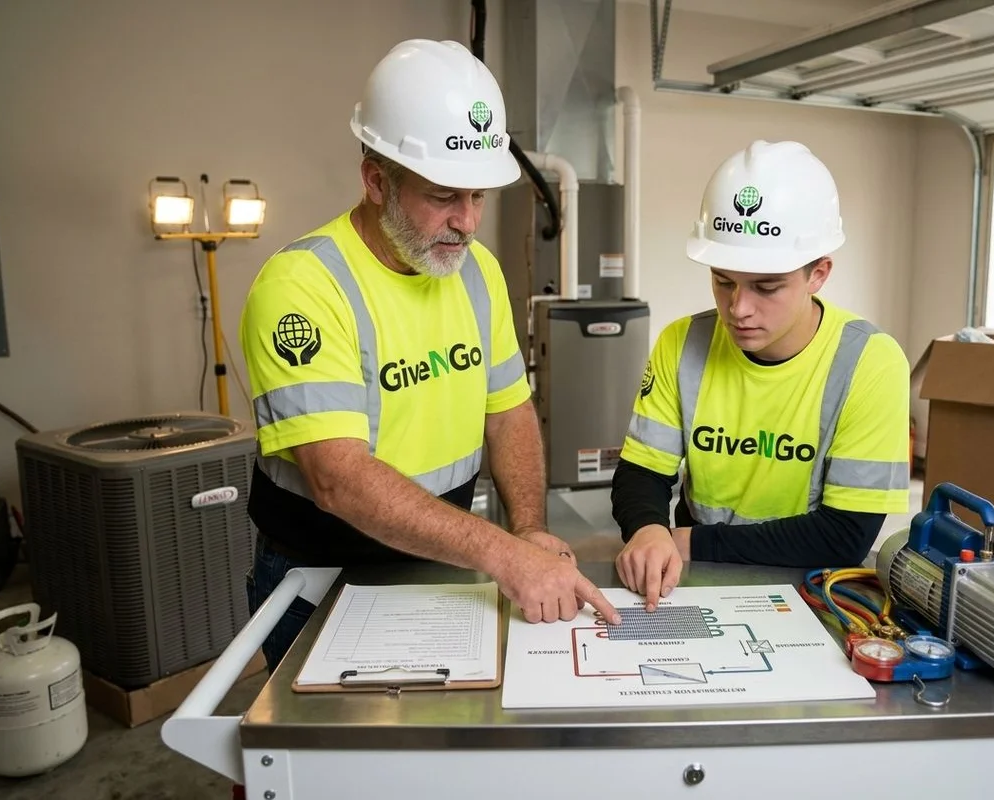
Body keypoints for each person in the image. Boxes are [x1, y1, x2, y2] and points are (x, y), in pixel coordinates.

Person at [239, 38, 619, 673]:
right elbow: (338, 478)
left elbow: (509, 413)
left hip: (442, 557)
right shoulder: (301, 288)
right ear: (375, 180)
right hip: (322, 577)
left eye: (478, 197)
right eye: (444, 196)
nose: (467, 222)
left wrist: (526, 530)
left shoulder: (478, 274)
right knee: (336, 767)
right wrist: (502, 553)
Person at [611, 140, 911, 610]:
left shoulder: (871, 362)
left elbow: (846, 535)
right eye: (723, 281)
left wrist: (688, 542)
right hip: (692, 580)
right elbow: (641, 471)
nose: (739, 309)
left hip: (813, 589)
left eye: (766, 287)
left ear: (819, 274)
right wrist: (648, 530)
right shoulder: (681, 342)